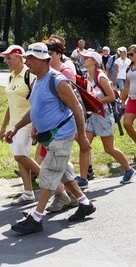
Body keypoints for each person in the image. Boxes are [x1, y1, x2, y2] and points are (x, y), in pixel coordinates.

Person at [5, 42, 95, 235]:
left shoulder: (57, 80)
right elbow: (35, 110)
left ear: (43, 60)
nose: (27, 62)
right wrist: (17, 129)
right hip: (49, 136)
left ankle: (37, 218)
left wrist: (82, 137)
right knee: (63, 172)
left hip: (61, 134)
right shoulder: (38, 80)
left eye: (31, 58)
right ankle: (85, 203)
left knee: (47, 174)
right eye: (27, 58)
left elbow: (77, 109)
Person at [75, 50, 136, 188]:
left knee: (109, 148)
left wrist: (94, 101)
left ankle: (129, 169)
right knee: (84, 147)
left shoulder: (100, 76)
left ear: (94, 61)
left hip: (103, 115)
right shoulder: (87, 76)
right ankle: (83, 179)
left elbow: (112, 97)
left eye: (86, 58)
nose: (84, 60)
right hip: (92, 116)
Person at [0, 45, 41, 206]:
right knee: (20, 158)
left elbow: (37, 101)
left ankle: (54, 185)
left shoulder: (29, 75)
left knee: (19, 155)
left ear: (19, 57)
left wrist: (36, 125)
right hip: (14, 124)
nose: (6, 61)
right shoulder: (11, 76)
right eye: (5, 58)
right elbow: (11, 104)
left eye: (9, 57)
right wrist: (3, 127)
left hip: (28, 122)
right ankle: (28, 192)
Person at [43, 39, 80, 212]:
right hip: (50, 128)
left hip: (62, 127)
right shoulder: (47, 72)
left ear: (58, 53)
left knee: (52, 164)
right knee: (61, 163)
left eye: (50, 54)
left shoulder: (66, 71)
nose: (47, 57)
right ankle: (77, 198)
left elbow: (73, 104)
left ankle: (40, 212)